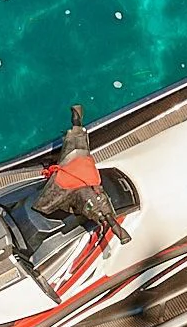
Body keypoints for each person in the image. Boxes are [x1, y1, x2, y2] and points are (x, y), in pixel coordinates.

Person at [34, 104, 125, 243]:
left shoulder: (96, 185)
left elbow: (99, 204)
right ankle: (76, 123)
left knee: (79, 141)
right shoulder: (82, 193)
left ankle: (77, 123)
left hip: (82, 166)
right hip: (70, 179)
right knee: (44, 206)